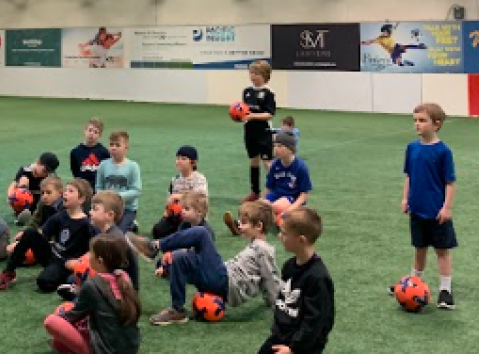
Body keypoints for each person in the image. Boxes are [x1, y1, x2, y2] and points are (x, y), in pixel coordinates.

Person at [128, 199, 279, 325]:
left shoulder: (263, 249)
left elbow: (271, 279)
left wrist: (277, 306)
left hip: (227, 284)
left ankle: (153, 246)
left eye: (244, 223)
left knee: (202, 233)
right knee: (180, 257)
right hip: (221, 279)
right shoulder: (255, 245)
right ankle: (177, 310)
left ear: (259, 226)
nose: (239, 225)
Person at [0, 178, 94, 292]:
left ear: (81, 199)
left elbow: (94, 249)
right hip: (52, 256)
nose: (65, 193)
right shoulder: (60, 216)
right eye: (66, 190)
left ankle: (71, 280)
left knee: (44, 283)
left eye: (71, 191)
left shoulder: (87, 223)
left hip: (67, 264)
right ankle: (9, 272)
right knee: (30, 233)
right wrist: (19, 243)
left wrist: (79, 263)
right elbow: (42, 233)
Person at [399, 102, 457, 309]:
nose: (417, 124)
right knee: (419, 248)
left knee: (442, 250)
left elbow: (450, 182)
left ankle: (445, 290)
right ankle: (413, 282)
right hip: (417, 209)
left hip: (436, 212)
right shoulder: (412, 148)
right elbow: (409, 176)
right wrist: (406, 198)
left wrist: (446, 207)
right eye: (415, 120)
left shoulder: (443, 151)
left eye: (422, 120)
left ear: (436, 124)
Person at [44, 235, 142, 354]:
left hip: (105, 350)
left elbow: (73, 316)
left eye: (91, 253)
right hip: (131, 347)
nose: (88, 256)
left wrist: (60, 315)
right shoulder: (124, 278)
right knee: (59, 343)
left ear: (99, 260)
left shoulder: (92, 285)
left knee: (51, 321)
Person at [259, 207, 334, 354]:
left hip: (303, 346)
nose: (280, 236)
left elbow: (316, 321)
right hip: (281, 338)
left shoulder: (318, 277)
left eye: (284, 233)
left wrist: (294, 348)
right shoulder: (289, 266)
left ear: (301, 240)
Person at [59, 192, 140, 300]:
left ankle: (80, 294)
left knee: (82, 284)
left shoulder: (111, 240)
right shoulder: (106, 233)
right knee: (72, 278)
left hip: (122, 291)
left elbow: (107, 273)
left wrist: (78, 265)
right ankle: (79, 291)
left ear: (110, 215)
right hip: (114, 281)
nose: (90, 212)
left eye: (95, 209)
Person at [151, 145, 209, 239]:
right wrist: (167, 211)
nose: (179, 161)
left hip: (193, 217)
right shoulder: (175, 180)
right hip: (177, 215)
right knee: (157, 231)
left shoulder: (199, 179)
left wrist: (177, 196)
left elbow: (199, 197)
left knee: (187, 233)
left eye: (183, 158)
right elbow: (170, 199)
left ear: (193, 162)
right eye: (177, 158)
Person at [241, 60, 277, 203]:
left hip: (264, 131)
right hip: (250, 131)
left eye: (256, 73)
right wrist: (241, 116)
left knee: (267, 162)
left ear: (265, 76)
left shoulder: (268, 93)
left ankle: (274, 191)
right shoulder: (247, 92)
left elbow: (270, 114)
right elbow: (244, 110)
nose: (253, 76)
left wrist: (252, 116)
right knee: (253, 160)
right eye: (251, 73)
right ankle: (255, 192)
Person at [96, 131, 141, 232]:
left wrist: (117, 197)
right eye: (111, 145)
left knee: (119, 232)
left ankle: (131, 222)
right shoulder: (103, 165)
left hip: (127, 208)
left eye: (117, 145)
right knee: (97, 230)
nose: (114, 148)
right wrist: (103, 198)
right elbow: (99, 186)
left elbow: (136, 190)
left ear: (126, 147)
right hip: (107, 207)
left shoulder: (133, 166)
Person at [9, 151, 61, 226]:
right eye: (44, 170)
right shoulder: (25, 171)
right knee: (24, 180)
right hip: (27, 203)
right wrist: (12, 198)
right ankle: (22, 213)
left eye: (48, 172)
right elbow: (13, 186)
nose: (45, 174)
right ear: (38, 162)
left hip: (41, 202)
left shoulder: (49, 177)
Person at [70, 118, 110, 191]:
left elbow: (106, 172)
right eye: (90, 130)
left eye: (95, 132)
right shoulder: (75, 152)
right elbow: (75, 172)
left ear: (100, 135)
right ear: (85, 131)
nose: (92, 134)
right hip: (82, 189)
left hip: (98, 189)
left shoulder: (104, 152)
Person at [362, 23, 427, 67]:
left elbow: (394, 28)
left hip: (397, 46)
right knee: (396, 62)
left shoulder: (390, 34)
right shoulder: (379, 39)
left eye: (386, 33)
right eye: (383, 32)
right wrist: (364, 42)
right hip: (392, 52)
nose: (384, 34)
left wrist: (397, 23)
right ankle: (403, 62)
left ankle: (420, 46)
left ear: (389, 33)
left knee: (404, 47)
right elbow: (371, 41)